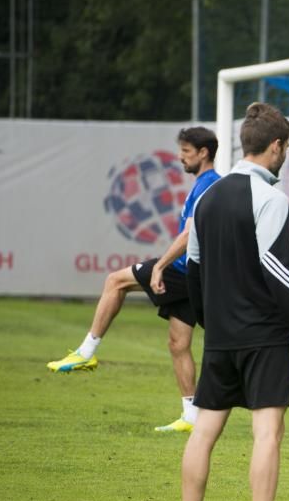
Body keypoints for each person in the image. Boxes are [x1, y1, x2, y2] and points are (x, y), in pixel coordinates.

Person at [177, 102, 289, 501]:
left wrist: (211, 322)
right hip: (264, 338)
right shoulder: (272, 198)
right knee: (268, 434)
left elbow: (195, 268)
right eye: (287, 149)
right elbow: (275, 269)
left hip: (222, 337)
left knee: (203, 431)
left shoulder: (208, 197)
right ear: (276, 146)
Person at [47, 127, 221, 433]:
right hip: (198, 275)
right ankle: (191, 416)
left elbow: (190, 232)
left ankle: (86, 352)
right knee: (178, 343)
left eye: (186, 152)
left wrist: (160, 265)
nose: (181, 157)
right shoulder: (204, 183)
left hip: (182, 269)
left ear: (204, 152)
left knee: (115, 281)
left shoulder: (208, 184)